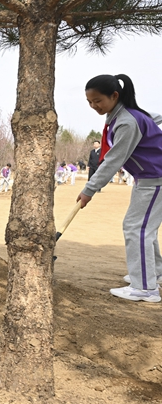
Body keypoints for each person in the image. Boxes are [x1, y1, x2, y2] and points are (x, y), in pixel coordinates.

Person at [77, 74, 162, 303]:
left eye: (98, 101)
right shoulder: (124, 115)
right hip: (147, 179)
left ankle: (145, 287)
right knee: (143, 227)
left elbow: (114, 160)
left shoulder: (126, 121)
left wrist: (89, 189)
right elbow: (156, 118)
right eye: (90, 102)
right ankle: (154, 273)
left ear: (114, 96)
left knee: (137, 228)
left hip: (155, 179)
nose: (94, 106)